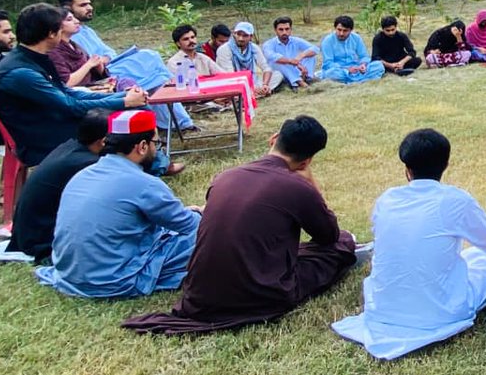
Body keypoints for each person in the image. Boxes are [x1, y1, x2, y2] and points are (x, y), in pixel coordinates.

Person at [123, 116, 359, 334]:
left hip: (200, 294)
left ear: (274, 139)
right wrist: (309, 181)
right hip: (262, 294)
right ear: (306, 161)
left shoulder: (225, 176)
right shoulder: (297, 187)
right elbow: (329, 236)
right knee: (343, 243)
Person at [332, 129, 486, 359]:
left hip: (383, 309)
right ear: (446, 164)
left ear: (407, 170)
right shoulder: (456, 200)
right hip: (440, 313)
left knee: (470, 258)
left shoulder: (387, 199)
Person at [36, 110, 201, 298]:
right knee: (212, 234)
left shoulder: (82, 175)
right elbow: (194, 227)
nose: (158, 150)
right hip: (114, 280)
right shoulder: (145, 183)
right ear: (142, 146)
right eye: (157, 144)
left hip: (70, 276)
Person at [0, 4, 148, 166]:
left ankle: (151, 165)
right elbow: (69, 106)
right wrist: (124, 102)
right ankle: (149, 168)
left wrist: (122, 96)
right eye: (60, 30)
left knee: (132, 111)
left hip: (55, 121)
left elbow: (67, 91)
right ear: (51, 34)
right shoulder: (20, 73)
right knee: (128, 120)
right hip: (43, 138)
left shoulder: (34, 57)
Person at [61, 0, 196, 131]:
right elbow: (84, 65)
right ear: (67, 9)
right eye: (83, 5)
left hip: (110, 64)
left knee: (155, 70)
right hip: (100, 75)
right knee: (150, 60)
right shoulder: (68, 36)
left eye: (89, 4)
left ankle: (181, 121)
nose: (90, 8)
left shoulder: (87, 30)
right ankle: (175, 100)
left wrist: (105, 58)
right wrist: (97, 62)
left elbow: (109, 52)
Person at [5, 111, 108, 262]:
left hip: (28, 234)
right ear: (103, 141)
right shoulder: (87, 164)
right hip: (42, 242)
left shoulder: (71, 147)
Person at [48, 8, 114, 89]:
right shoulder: (54, 51)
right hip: (80, 93)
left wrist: (98, 65)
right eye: (69, 19)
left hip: (93, 86)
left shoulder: (74, 45)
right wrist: (89, 64)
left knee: (126, 82)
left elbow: (98, 74)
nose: (77, 21)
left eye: (74, 18)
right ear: (57, 25)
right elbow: (67, 83)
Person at [217, 21, 279, 95]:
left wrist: (265, 85)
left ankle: (259, 91)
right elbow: (230, 75)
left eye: (245, 35)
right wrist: (252, 87)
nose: (241, 38)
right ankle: (252, 92)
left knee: (278, 74)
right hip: (231, 82)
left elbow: (266, 68)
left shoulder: (254, 48)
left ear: (251, 37)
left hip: (252, 81)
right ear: (234, 34)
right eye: (238, 34)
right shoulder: (224, 49)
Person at [319, 15, 383, 83]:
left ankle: (352, 80)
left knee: (378, 65)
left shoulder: (356, 38)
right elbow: (328, 63)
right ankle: (362, 80)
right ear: (335, 28)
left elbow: (364, 56)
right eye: (339, 30)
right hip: (340, 70)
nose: (341, 33)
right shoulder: (328, 41)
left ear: (351, 30)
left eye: (345, 31)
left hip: (356, 69)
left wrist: (363, 65)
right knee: (331, 73)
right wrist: (347, 69)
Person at [262, 16, 318, 89]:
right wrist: (291, 61)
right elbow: (271, 56)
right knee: (277, 61)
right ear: (275, 30)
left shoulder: (295, 40)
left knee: (310, 56)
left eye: (287, 29)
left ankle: (307, 78)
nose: (284, 32)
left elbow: (315, 49)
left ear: (291, 29)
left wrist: (300, 56)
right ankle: (299, 82)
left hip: (296, 70)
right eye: (281, 29)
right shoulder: (269, 44)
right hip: (280, 74)